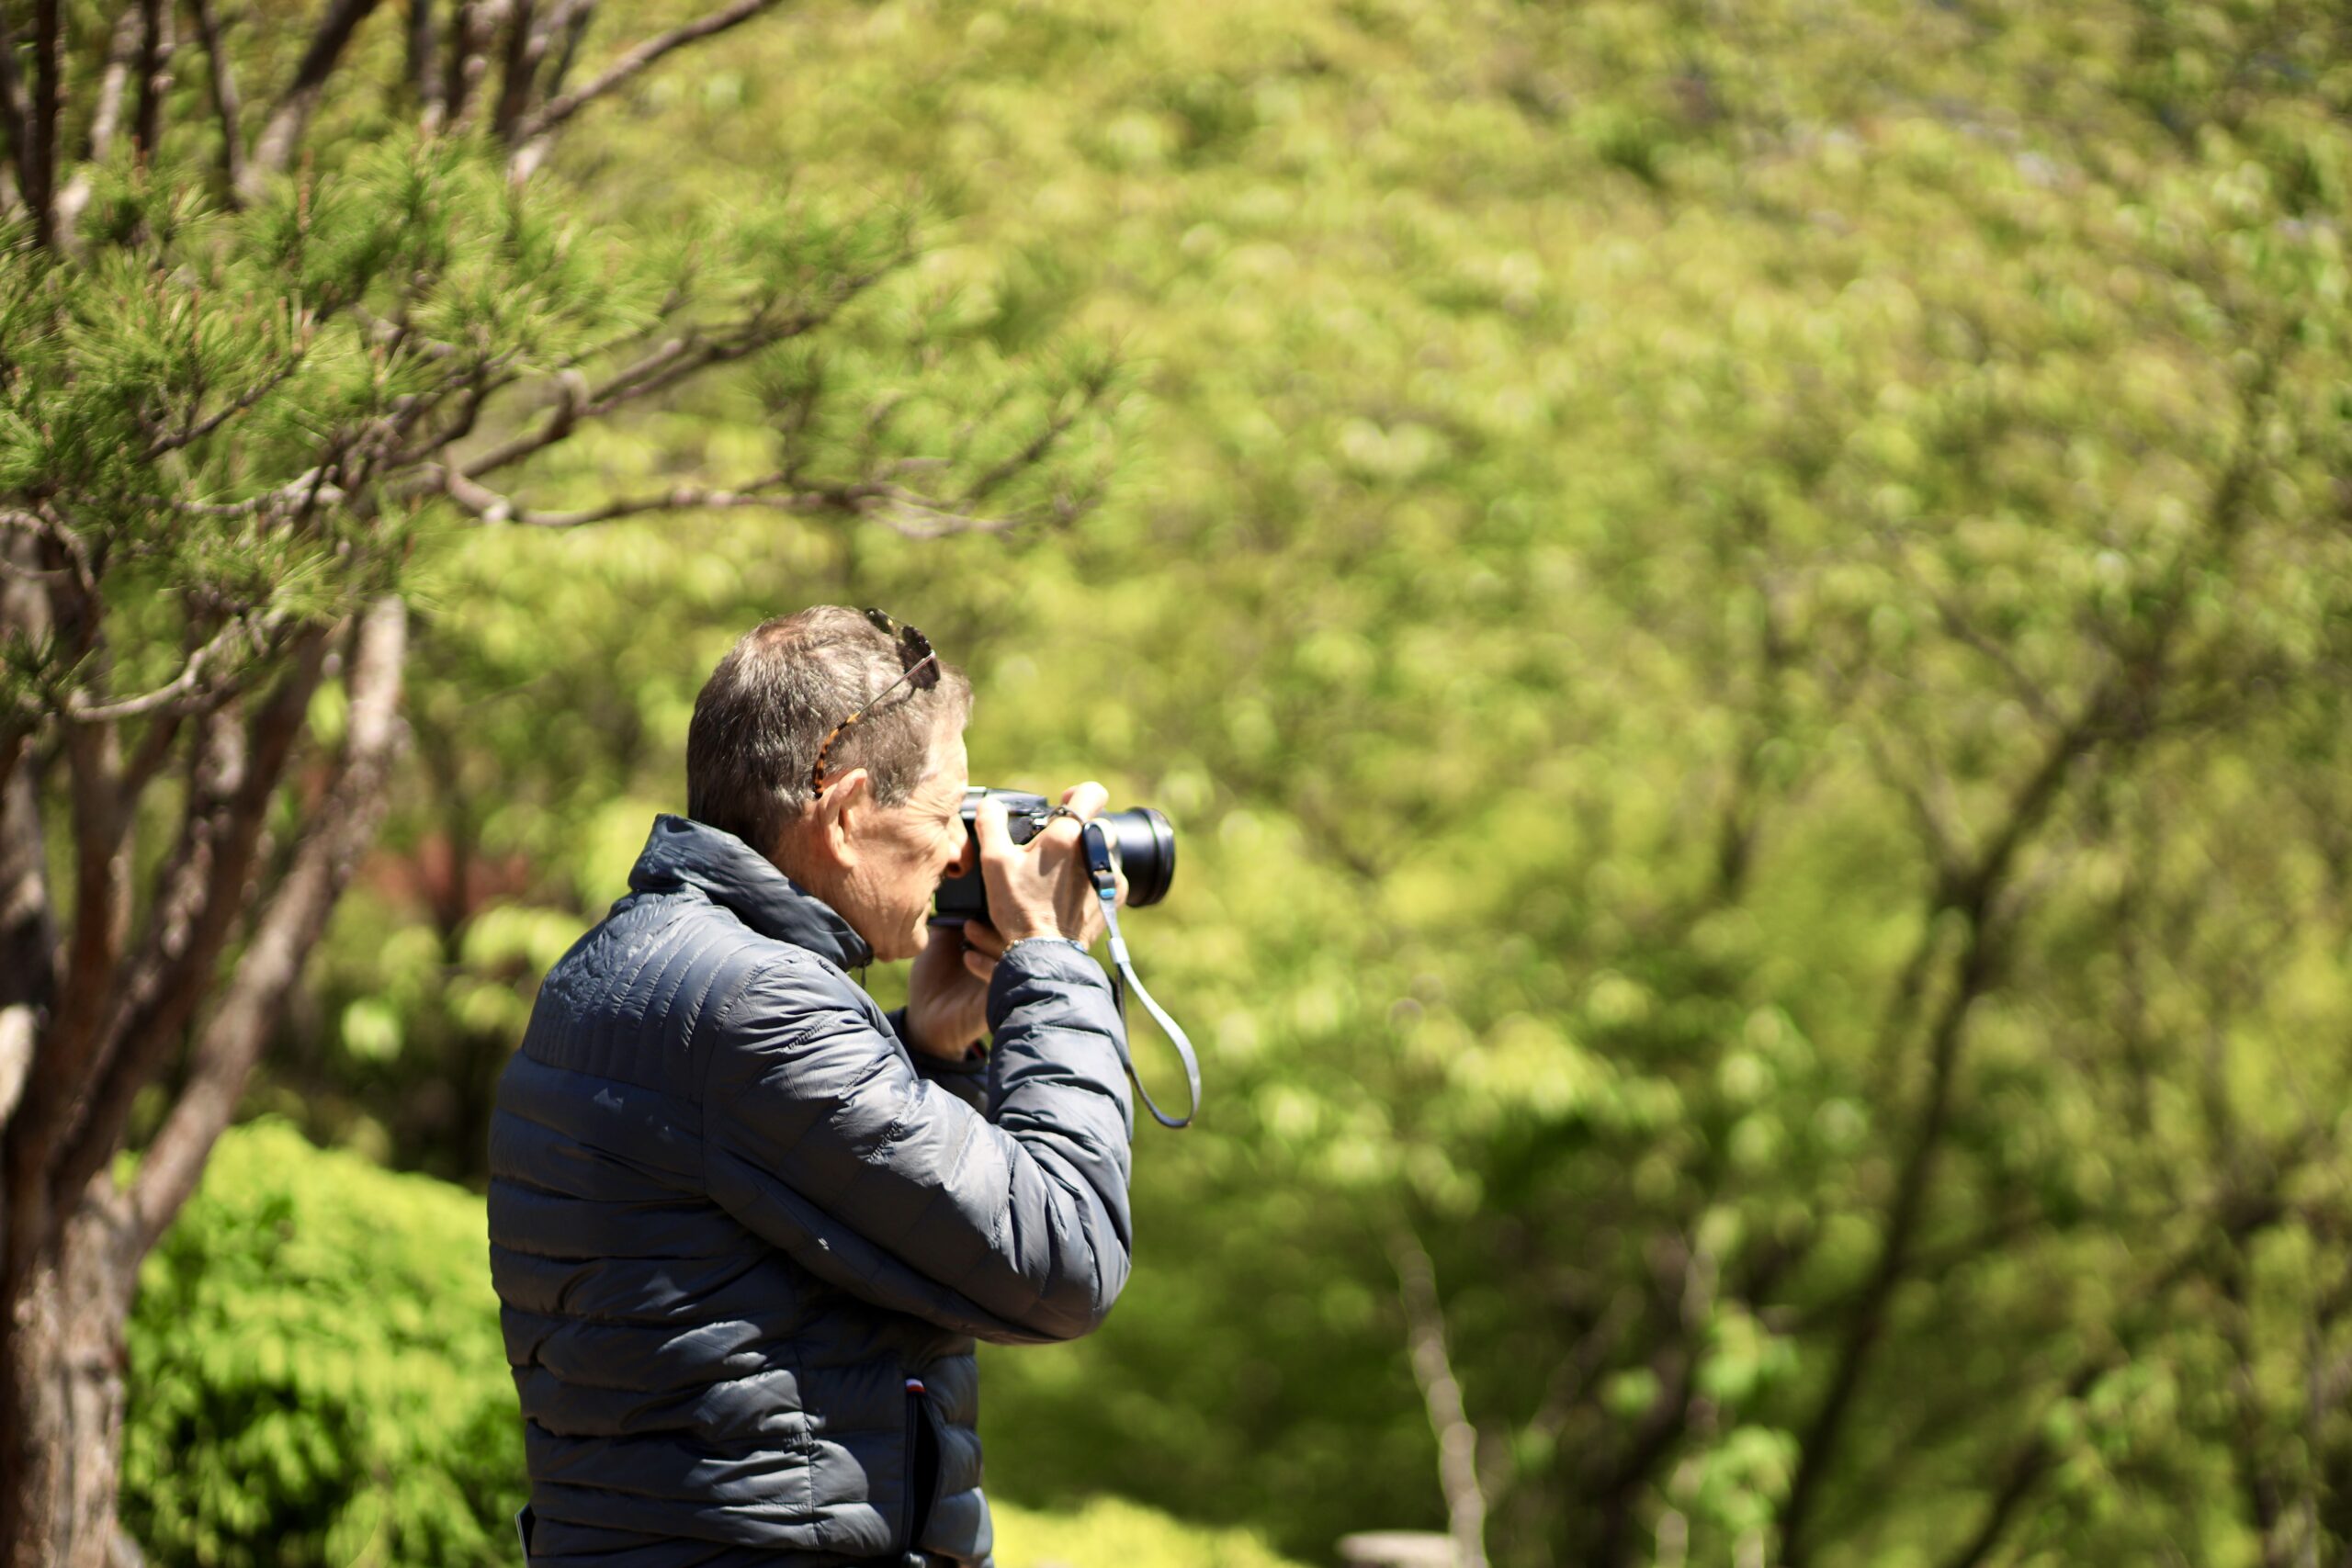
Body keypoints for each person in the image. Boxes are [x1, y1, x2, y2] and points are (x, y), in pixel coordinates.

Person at [488, 605, 1136, 1568]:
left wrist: (936, 1049)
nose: (964, 853)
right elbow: (1063, 1258)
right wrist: (1051, 966)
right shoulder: (757, 1000)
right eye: (944, 816)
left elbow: (857, 1255)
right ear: (841, 816)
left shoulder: (635, 964)